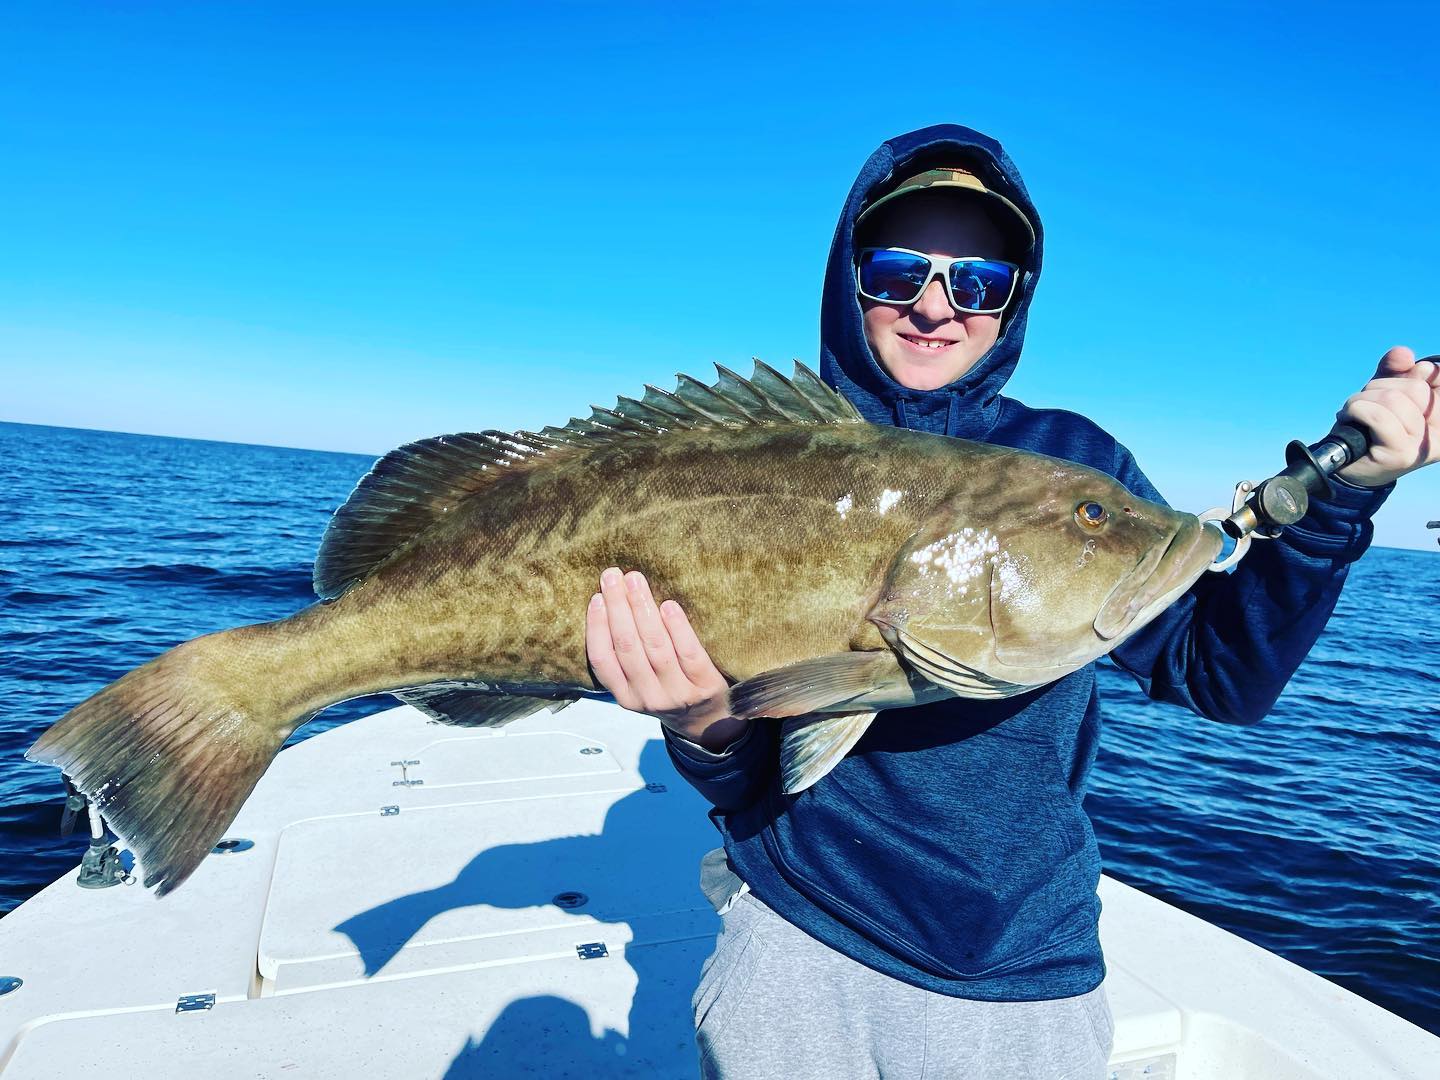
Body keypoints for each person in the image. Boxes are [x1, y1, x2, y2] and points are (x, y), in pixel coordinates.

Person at [582, 124, 1437, 1078]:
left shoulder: (1075, 465)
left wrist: (1343, 497)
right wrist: (702, 724)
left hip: (1030, 970)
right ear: (849, 275)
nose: (936, 307)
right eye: (898, 271)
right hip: (798, 940)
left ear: (1014, 304)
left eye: (979, 282)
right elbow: (755, 783)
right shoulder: (749, 460)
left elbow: (1221, 677)